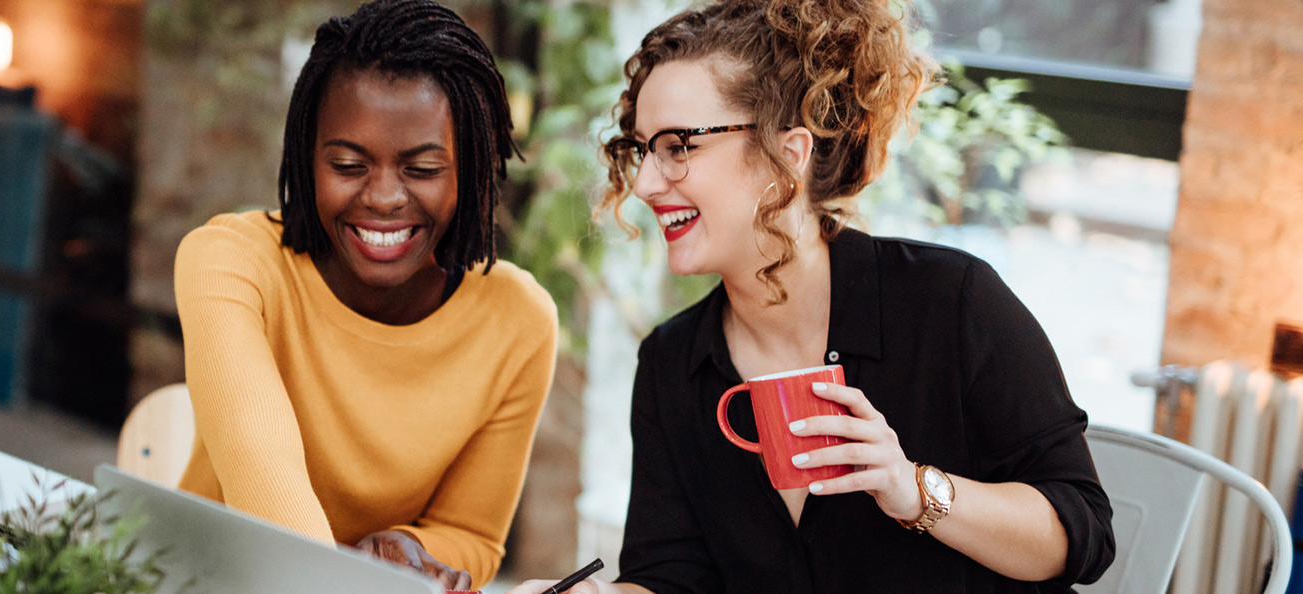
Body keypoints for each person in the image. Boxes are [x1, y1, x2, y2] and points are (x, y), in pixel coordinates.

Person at [508, 1, 1114, 593]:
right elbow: (671, 577)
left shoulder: (951, 303)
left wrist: (913, 489)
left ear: (787, 155)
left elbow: (1081, 534)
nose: (643, 182)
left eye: (679, 146)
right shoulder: (674, 363)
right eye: (643, 150)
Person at [173, 0, 558, 589]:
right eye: (349, 164)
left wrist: (410, 547)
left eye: (423, 169)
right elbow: (265, 482)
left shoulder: (518, 321)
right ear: (307, 159)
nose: (382, 198)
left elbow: (472, 535)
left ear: (473, 170)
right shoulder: (231, 263)